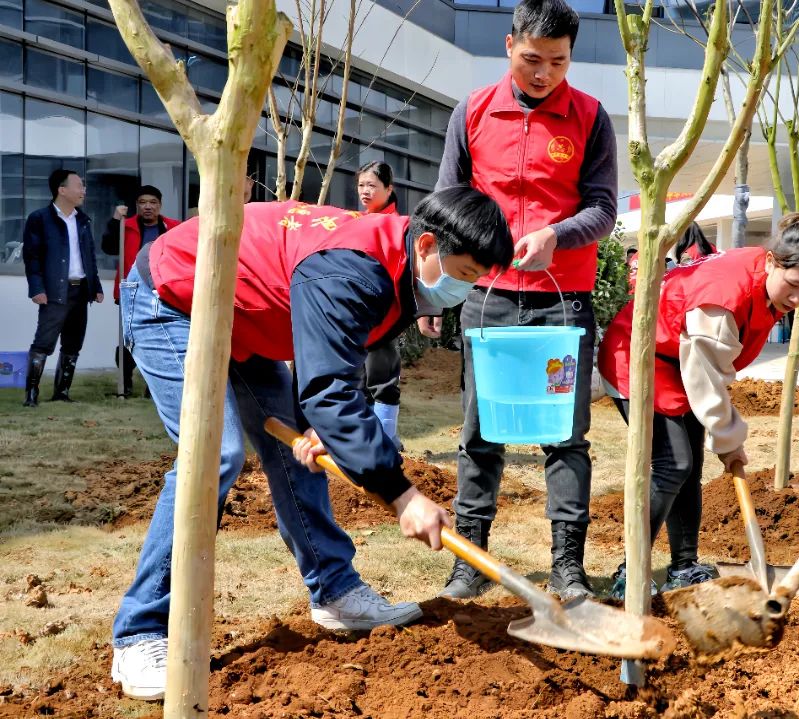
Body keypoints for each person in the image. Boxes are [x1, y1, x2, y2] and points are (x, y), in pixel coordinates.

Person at [110, 186, 514, 700]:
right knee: (214, 454)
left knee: (299, 449)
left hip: (248, 317)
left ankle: (336, 592)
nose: (462, 291)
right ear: (428, 245)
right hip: (174, 296)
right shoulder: (353, 269)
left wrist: (328, 426)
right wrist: (403, 496)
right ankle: (139, 633)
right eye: (463, 276)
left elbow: (339, 360)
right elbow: (327, 390)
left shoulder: (399, 266)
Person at [435, 0, 617, 600]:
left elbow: (604, 210)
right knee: (480, 432)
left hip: (561, 303)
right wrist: (439, 289)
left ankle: (567, 565)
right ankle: (470, 560)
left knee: (565, 436)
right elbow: (446, 204)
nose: (543, 74)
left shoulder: (590, 117)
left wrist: (556, 235)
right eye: (532, 59)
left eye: (558, 62)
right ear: (508, 44)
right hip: (487, 298)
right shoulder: (473, 111)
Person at [597, 214, 799, 597]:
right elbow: (705, 376)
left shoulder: (765, 277)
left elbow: (708, 369)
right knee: (671, 463)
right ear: (771, 262)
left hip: (679, 361)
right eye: (794, 285)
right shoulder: (723, 296)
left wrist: (725, 435)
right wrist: (728, 437)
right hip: (640, 356)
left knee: (689, 467)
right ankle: (631, 571)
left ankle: (682, 567)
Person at [21, 169, 105, 407]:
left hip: (81, 290)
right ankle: (31, 395)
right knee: (44, 342)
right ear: (62, 190)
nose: (83, 190)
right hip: (55, 291)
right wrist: (36, 288)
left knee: (73, 343)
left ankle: (62, 392)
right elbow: (32, 258)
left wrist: (96, 286)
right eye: (79, 185)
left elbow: (89, 256)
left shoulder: (83, 220)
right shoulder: (40, 219)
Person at [102, 185, 181, 397]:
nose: (148, 207)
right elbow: (108, 247)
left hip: (162, 292)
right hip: (131, 291)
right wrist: (114, 221)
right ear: (137, 205)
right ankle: (125, 383)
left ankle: (153, 387)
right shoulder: (124, 226)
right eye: (143, 202)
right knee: (128, 341)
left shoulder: (173, 227)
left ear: (160, 205)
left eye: (153, 202)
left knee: (161, 342)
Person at [356, 161, 408, 449]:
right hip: (358, 313)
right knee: (358, 378)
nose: (365, 191)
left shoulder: (397, 226)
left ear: (389, 189)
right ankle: (366, 441)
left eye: (372, 185)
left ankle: (387, 438)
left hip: (385, 313)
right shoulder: (359, 220)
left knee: (382, 377)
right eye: (361, 185)